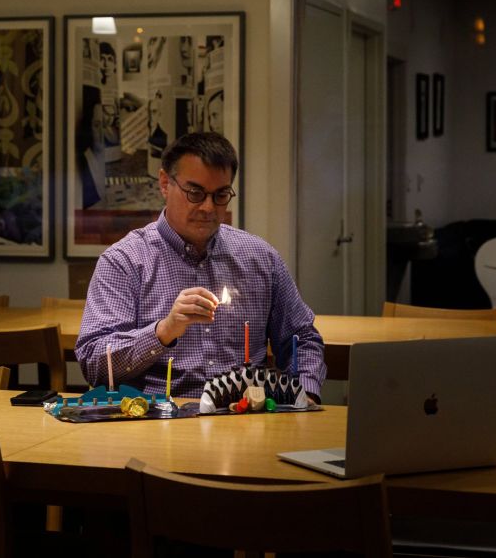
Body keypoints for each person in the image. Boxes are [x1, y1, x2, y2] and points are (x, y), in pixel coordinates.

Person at [75, 132, 326, 402]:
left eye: (220, 195)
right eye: (195, 193)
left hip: (245, 418)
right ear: (164, 184)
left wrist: (305, 392)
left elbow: (301, 338)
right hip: (158, 420)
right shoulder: (124, 261)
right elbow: (94, 362)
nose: (208, 207)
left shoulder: (261, 258)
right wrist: (163, 331)